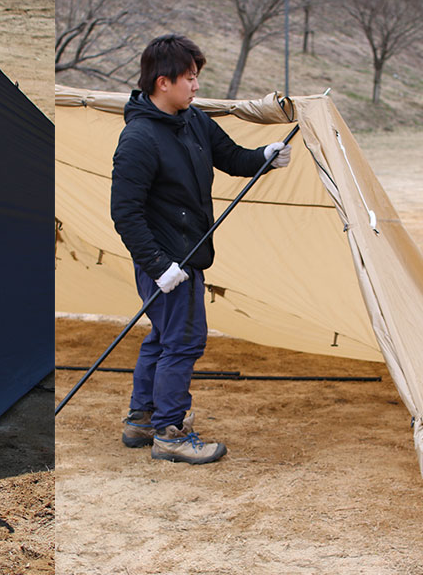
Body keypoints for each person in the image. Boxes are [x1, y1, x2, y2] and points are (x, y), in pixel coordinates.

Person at [110, 35, 291, 465]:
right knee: (185, 341)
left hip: (186, 254)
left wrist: (265, 155)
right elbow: (125, 214)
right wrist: (158, 266)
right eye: (189, 79)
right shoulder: (138, 140)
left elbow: (231, 157)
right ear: (162, 82)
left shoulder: (192, 120)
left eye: (196, 78)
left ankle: (142, 419)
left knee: (164, 337)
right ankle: (169, 433)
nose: (195, 87)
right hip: (167, 262)